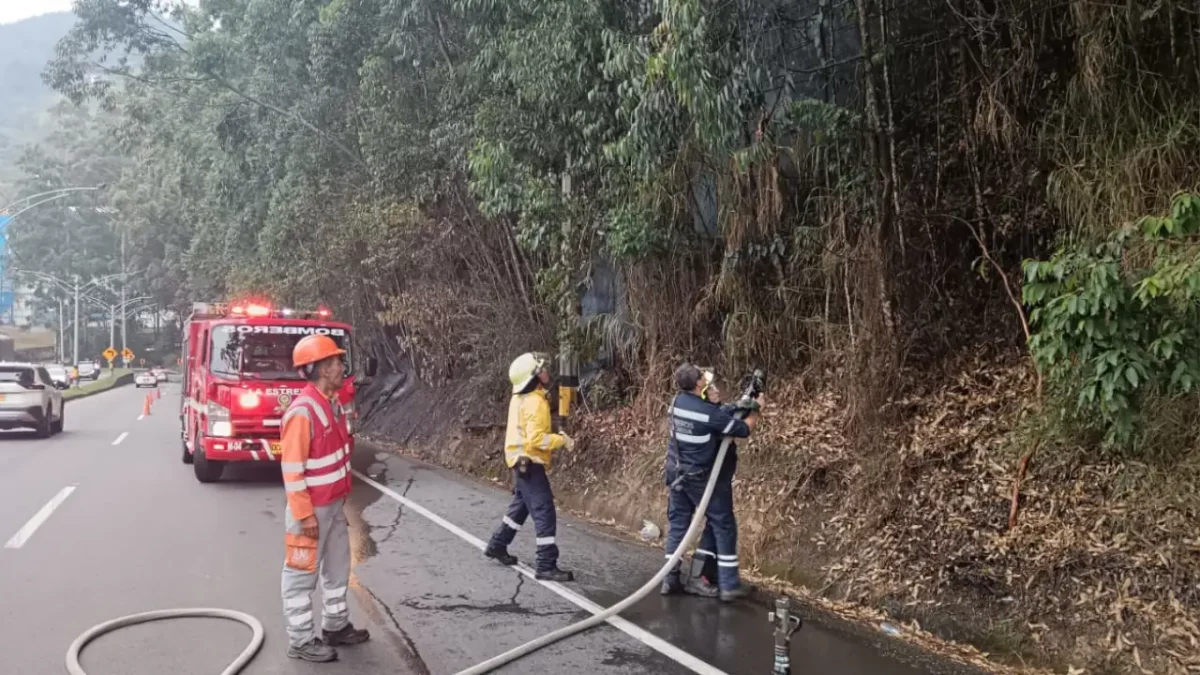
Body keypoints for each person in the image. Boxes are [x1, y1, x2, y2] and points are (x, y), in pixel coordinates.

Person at [278, 334, 370, 663]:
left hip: (332, 507)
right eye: (335, 362)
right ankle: (301, 640)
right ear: (320, 369)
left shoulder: (329, 404)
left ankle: (335, 625)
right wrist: (304, 516)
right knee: (301, 575)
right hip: (311, 511)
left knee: (337, 567)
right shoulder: (303, 413)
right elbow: (292, 470)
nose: (341, 367)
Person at [661, 363, 762, 602]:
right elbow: (742, 430)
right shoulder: (708, 413)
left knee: (678, 526)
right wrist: (756, 410)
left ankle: (669, 579)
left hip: (676, 473)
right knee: (723, 523)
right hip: (700, 478)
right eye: (704, 378)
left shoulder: (676, 403)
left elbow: (710, 415)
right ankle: (729, 585)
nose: (707, 380)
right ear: (698, 384)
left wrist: (733, 406)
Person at [483, 352, 576, 582]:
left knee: (521, 508)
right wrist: (561, 440)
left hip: (520, 462)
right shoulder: (535, 402)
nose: (546, 372)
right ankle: (546, 564)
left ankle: (497, 544)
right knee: (545, 511)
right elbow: (537, 439)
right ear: (533, 376)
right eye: (542, 369)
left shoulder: (521, 398)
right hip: (530, 462)